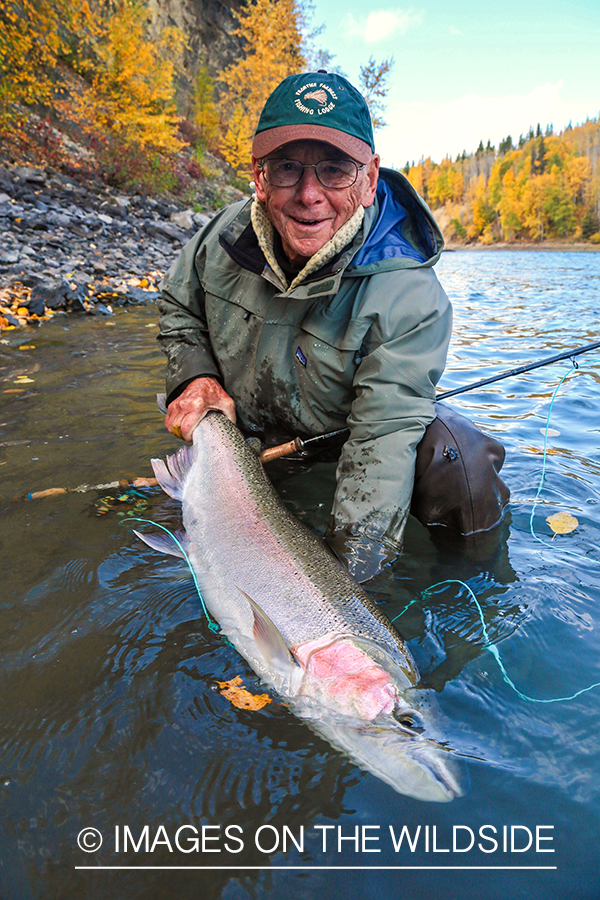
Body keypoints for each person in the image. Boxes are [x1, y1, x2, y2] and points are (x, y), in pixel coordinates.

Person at [157, 70, 509, 581]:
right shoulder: (220, 239)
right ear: (258, 176)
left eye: (334, 170)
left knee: (459, 456)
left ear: (369, 179)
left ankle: (472, 575)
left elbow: (381, 446)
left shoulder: (410, 296)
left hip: (338, 452)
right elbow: (177, 307)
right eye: (287, 168)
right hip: (242, 443)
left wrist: (349, 595)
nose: (308, 194)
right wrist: (194, 378)